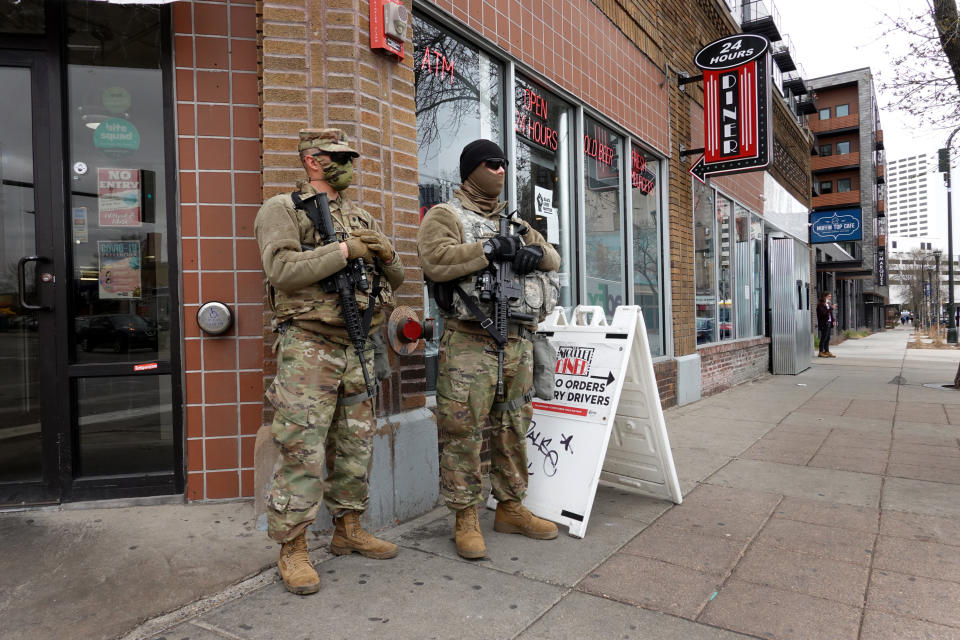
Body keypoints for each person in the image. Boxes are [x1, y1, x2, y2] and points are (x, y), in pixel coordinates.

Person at [254, 128, 405, 595]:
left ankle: (349, 529)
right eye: (341, 157)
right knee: (301, 448)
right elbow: (280, 271)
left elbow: (394, 279)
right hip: (310, 346)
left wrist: (384, 252)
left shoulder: (358, 214)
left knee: (356, 444)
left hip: (357, 344)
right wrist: (343, 251)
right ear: (314, 160)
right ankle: (292, 547)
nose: (350, 164)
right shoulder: (282, 209)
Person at [417, 139, 562, 559]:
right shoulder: (446, 215)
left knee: (514, 425)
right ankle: (465, 517)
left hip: (516, 341)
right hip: (469, 340)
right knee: (462, 430)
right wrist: (485, 249)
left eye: (503, 165)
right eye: (491, 164)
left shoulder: (514, 221)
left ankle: (511, 506)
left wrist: (534, 252)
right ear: (471, 170)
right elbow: (435, 261)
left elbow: (552, 257)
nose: (500, 171)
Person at [816, 292, 836, 358]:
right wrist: (831, 308)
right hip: (824, 323)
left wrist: (833, 320)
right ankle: (820, 352)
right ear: (825, 297)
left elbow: (830, 314)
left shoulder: (828, 304)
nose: (830, 298)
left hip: (829, 323)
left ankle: (826, 351)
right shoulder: (820, 305)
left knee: (827, 338)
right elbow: (823, 313)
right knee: (823, 337)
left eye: (830, 296)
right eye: (829, 296)